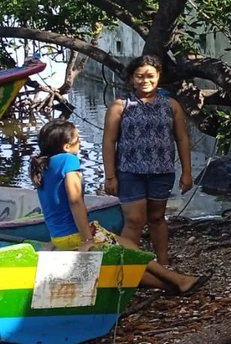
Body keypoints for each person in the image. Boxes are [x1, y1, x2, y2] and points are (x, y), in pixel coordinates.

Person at [32, 120, 209, 295]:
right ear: (66, 146)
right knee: (128, 257)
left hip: (60, 236)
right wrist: (87, 239)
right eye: (77, 139)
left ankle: (173, 282)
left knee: (128, 246)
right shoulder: (68, 161)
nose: (80, 143)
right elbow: (75, 200)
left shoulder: (44, 166)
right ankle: (178, 282)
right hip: (76, 234)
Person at [102, 55, 192, 267]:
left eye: (150, 76)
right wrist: (110, 176)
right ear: (132, 78)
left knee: (157, 218)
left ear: (158, 76)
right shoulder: (120, 106)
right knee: (134, 221)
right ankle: (130, 269)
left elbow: (182, 138)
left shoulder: (171, 105)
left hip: (162, 172)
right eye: (139, 76)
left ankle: (162, 265)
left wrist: (187, 172)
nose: (145, 80)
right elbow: (109, 141)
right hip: (129, 172)